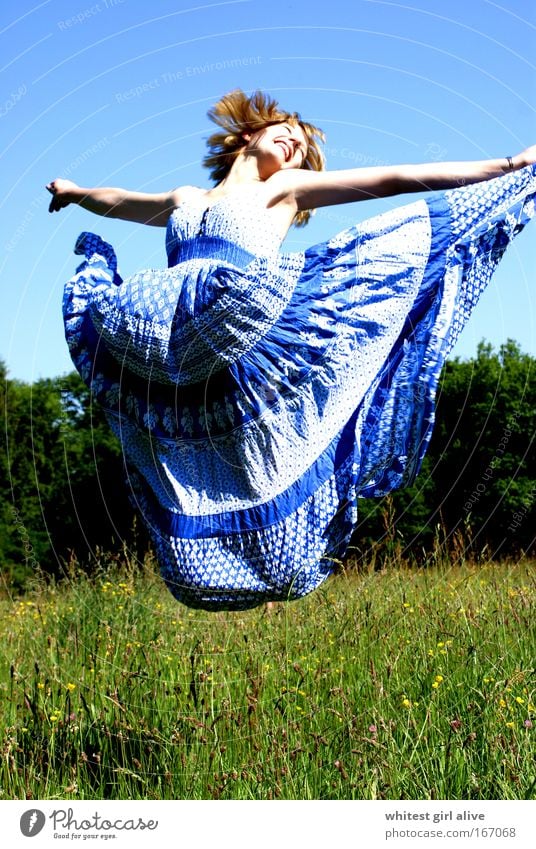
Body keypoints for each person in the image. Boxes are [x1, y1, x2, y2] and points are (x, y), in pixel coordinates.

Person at [46, 89, 536, 611]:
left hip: (237, 319)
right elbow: (120, 203)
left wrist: (507, 165)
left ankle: (275, 556)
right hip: (171, 336)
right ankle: (200, 539)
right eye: (284, 131)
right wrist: (77, 193)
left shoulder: (284, 188)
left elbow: (393, 177)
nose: (293, 143)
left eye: (301, 145)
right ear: (247, 134)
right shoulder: (186, 198)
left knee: (251, 453)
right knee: (173, 426)